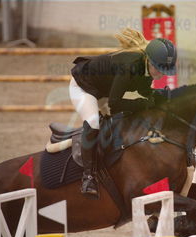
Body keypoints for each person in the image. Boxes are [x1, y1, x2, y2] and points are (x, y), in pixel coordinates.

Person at [69, 28, 177, 198]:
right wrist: (144, 103)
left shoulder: (146, 69)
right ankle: (88, 177)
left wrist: (165, 99)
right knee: (94, 122)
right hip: (84, 86)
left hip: (104, 90)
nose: (162, 73)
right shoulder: (129, 66)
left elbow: (145, 93)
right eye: (159, 68)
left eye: (165, 69)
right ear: (148, 59)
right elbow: (115, 104)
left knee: (122, 122)